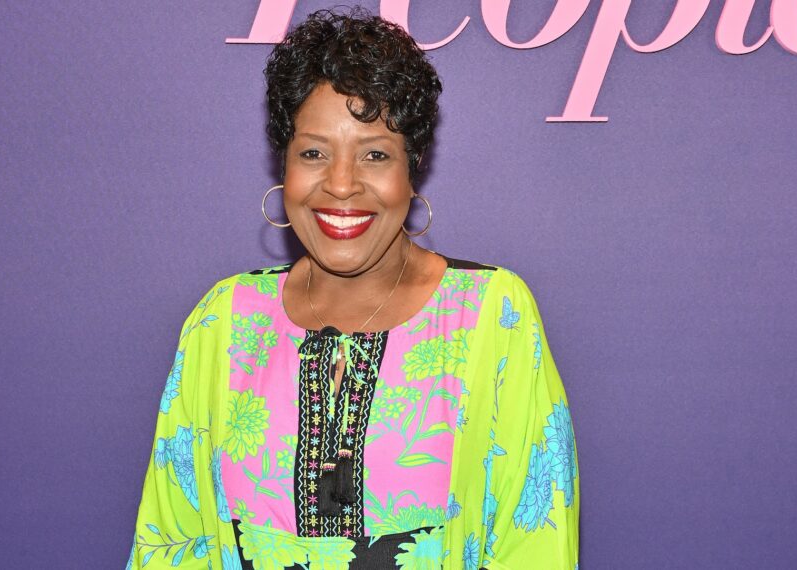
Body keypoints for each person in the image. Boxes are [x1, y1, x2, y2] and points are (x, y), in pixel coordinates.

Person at [128, 8, 578, 569]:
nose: (341, 184)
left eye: (375, 155)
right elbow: (172, 542)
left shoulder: (491, 315)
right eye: (313, 153)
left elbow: (534, 544)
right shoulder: (223, 322)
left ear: (412, 168)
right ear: (284, 167)